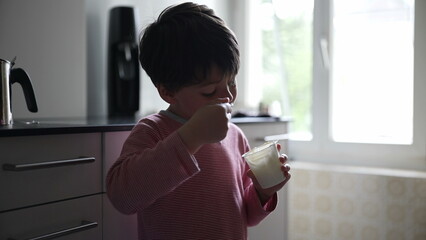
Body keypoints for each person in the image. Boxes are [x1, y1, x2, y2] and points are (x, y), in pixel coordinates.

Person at [106, 2, 291, 239]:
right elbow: (123, 197)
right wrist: (191, 136)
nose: (227, 96)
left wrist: (263, 192)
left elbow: (245, 216)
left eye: (231, 82)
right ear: (168, 92)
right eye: (209, 91)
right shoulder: (153, 131)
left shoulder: (235, 136)